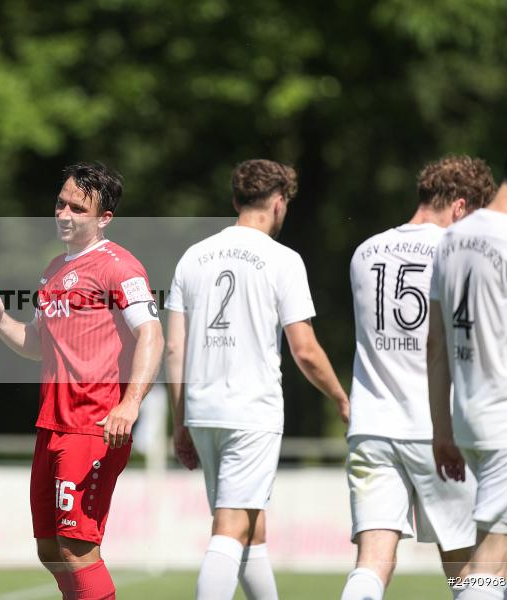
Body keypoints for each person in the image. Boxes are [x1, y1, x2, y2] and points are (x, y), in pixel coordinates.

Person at [0, 162, 164, 600]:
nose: (63, 213)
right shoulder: (55, 268)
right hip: (52, 424)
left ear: (104, 219)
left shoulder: (120, 267)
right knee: (50, 549)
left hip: (93, 425)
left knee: (76, 548)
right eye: (60, 202)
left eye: (77, 207)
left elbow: (151, 334)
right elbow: (37, 343)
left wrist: (129, 404)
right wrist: (1, 321)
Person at [164, 159, 349, 600]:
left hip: (204, 412)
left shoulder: (193, 257)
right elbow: (304, 349)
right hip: (251, 413)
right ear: (279, 203)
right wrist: (342, 398)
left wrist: (179, 421)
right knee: (230, 530)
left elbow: (174, 350)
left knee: (251, 528)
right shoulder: (282, 259)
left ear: (236, 200)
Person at [341, 156, 495, 600]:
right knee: (467, 566)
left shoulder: (364, 252)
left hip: (371, 427)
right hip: (437, 428)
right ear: (461, 206)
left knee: (372, 562)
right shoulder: (458, 255)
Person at [429, 136, 507, 600]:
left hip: (468, 416)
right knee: (496, 555)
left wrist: (441, 428)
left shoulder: (452, 238)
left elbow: (437, 341)